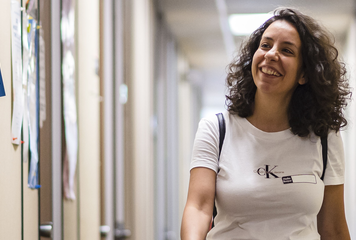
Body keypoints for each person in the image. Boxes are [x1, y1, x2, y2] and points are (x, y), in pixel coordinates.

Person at [181, 7, 351, 240]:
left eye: (287, 50)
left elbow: (333, 228)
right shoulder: (216, 129)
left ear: (304, 74)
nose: (271, 54)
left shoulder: (324, 137)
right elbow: (198, 209)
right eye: (265, 45)